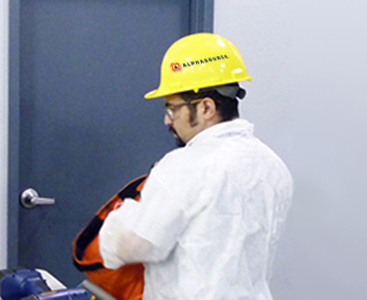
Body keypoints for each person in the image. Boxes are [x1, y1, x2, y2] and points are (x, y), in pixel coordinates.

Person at [98, 33, 293, 299]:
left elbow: (132, 243)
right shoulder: (273, 166)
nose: (168, 122)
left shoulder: (183, 166)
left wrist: (124, 214)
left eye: (172, 109)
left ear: (206, 107)